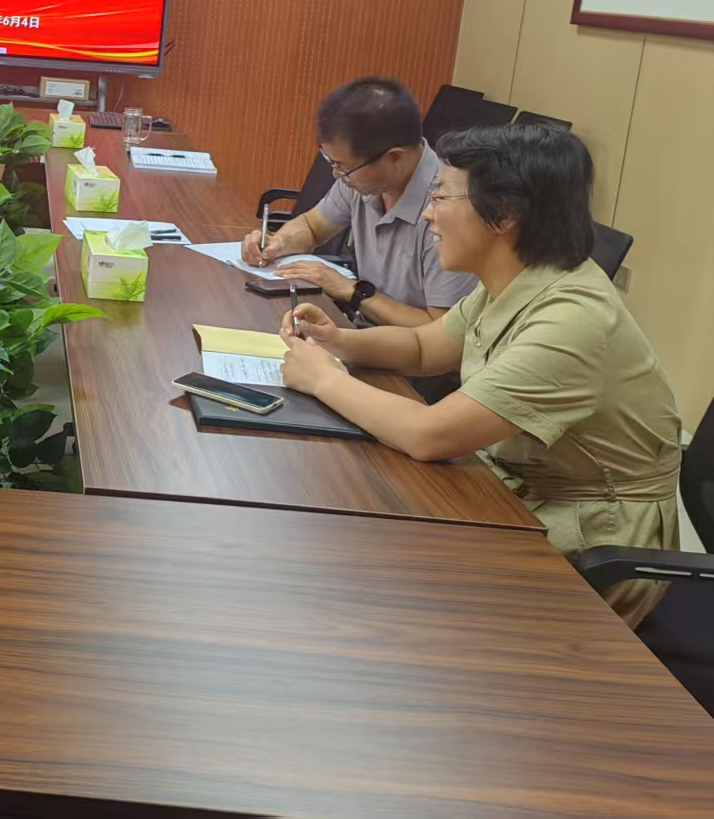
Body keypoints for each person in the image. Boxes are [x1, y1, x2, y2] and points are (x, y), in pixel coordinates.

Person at [276, 123, 682, 628]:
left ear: (505, 214)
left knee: (395, 601)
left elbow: (431, 434)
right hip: (520, 489)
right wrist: (339, 341)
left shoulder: (572, 318)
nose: (429, 213)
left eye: (442, 196)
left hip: (595, 542)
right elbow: (426, 346)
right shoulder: (517, 277)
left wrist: (324, 380)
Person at [243, 77, 475, 327]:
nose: (336, 175)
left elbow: (442, 330)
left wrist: (353, 291)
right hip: (361, 330)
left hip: (405, 348)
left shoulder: (450, 209)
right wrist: (277, 245)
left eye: (343, 167)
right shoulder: (365, 179)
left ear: (394, 157)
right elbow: (312, 226)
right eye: (332, 163)